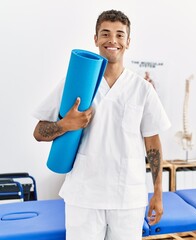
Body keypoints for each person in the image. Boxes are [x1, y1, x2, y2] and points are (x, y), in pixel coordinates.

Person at [33, 10, 171, 240]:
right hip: (84, 197)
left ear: (128, 41)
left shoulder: (142, 89)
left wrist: (158, 193)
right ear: (95, 39)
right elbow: (38, 132)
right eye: (105, 33)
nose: (112, 40)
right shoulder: (74, 83)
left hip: (128, 198)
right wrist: (64, 125)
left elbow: (153, 144)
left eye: (119, 34)